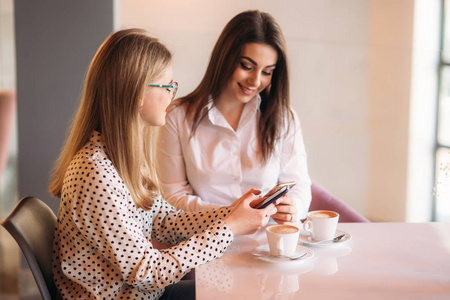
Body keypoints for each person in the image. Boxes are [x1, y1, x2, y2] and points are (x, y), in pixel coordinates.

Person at [49, 28, 277, 300]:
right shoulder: (95, 174)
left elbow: (164, 220)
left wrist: (231, 213)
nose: (172, 95)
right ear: (135, 92)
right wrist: (229, 229)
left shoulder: (120, 157)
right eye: (167, 86)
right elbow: (147, 272)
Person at [156, 10, 312, 224]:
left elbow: (299, 185)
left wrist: (295, 207)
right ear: (225, 58)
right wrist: (232, 215)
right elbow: (172, 197)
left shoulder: (284, 118)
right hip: (205, 242)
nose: (255, 81)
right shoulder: (178, 116)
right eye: (247, 66)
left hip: (269, 245)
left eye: (267, 72)